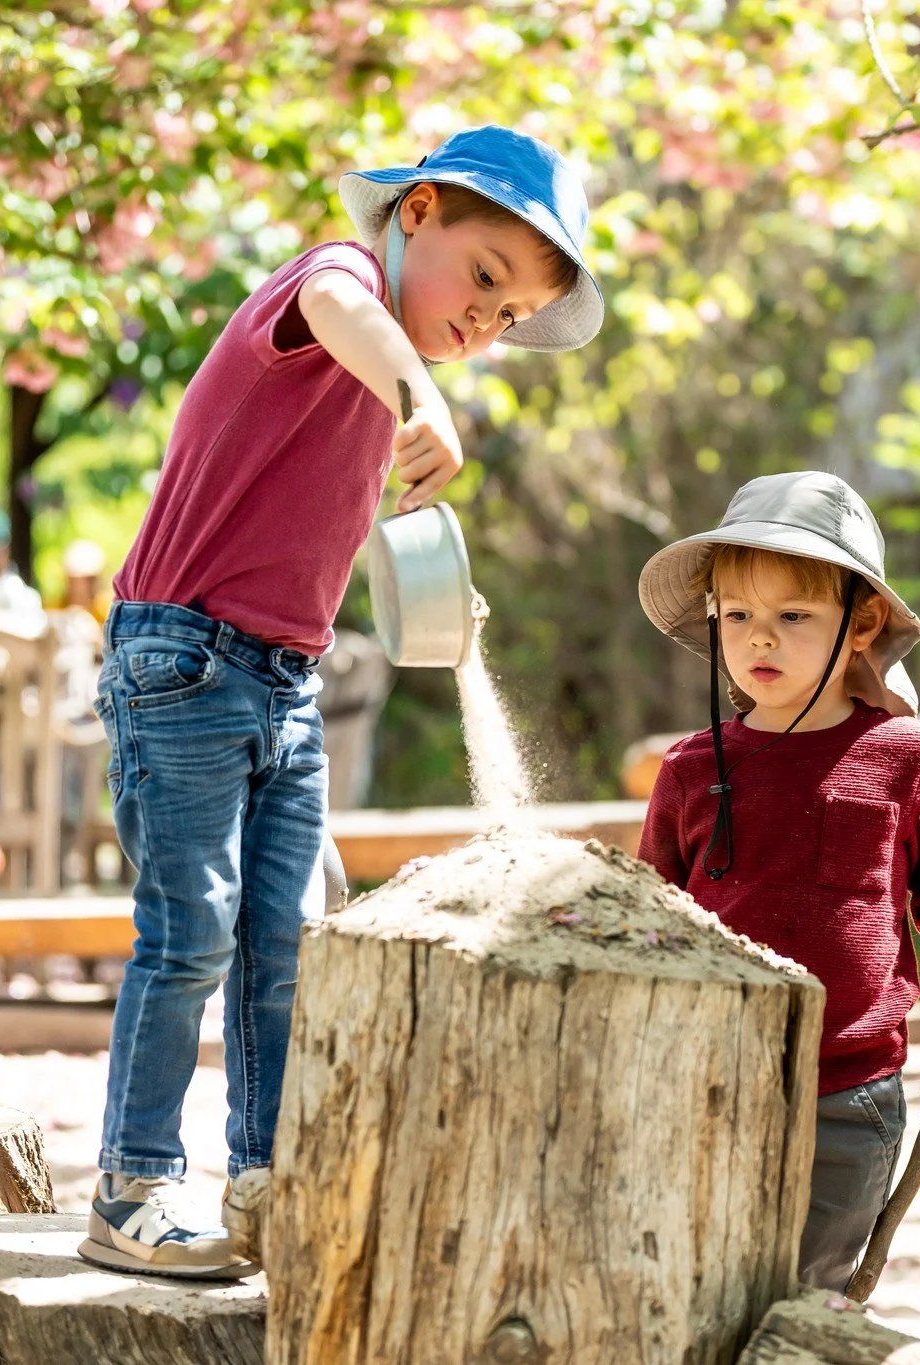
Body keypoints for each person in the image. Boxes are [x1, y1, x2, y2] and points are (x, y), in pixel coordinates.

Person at [81, 126, 604, 1280]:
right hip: (186, 660)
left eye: (510, 316)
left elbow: (321, 537)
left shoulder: (384, 388)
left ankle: (268, 1180)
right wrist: (420, 387)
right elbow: (337, 301)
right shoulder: (344, 287)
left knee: (292, 941)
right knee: (191, 933)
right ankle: (131, 1184)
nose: (487, 321)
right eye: (484, 279)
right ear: (415, 211)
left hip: (283, 677)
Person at [635, 471, 920, 1292]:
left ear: (860, 623)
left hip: (850, 1090)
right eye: (741, 616)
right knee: (706, 1283)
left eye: (794, 617)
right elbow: (648, 923)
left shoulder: (906, 755)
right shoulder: (689, 768)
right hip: (711, 1080)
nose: (762, 638)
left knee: (811, 1292)